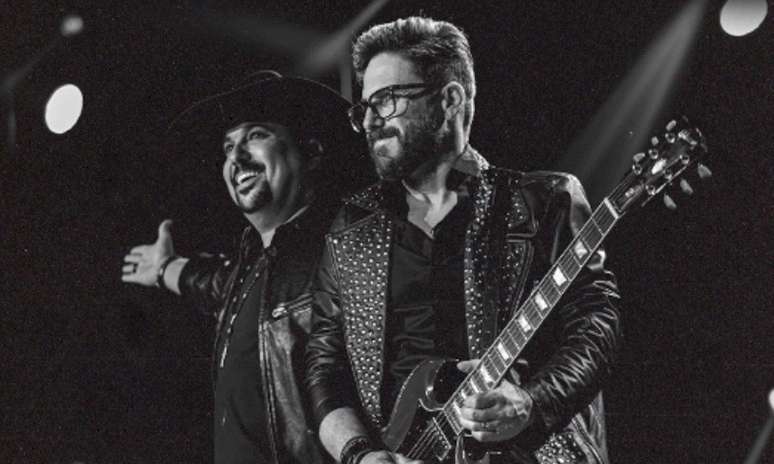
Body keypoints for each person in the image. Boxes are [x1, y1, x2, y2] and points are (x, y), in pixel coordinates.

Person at [305, 17, 621, 464]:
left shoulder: (542, 201)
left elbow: (595, 325)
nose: (371, 121)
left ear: (450, 99)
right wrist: (359, 454)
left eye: (387, 100)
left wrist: (532, 402)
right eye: (365, 107)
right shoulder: (352, 227)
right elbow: (324, 365)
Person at [121, 72, 369, 464]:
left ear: (310, 152)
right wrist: (165, 267)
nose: (235, 158)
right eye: (227, 147)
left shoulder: (348, 244)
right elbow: (210, 284)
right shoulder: (248, 270)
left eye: (255, 135)